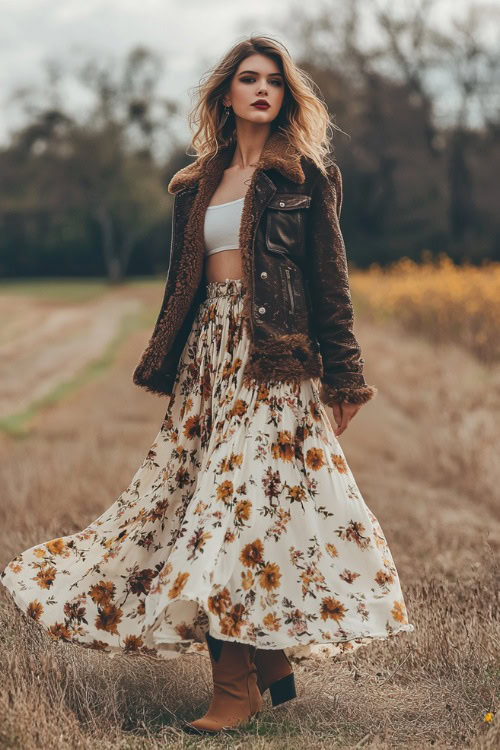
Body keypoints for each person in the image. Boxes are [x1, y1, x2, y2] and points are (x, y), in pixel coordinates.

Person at [0, 34, 414, 736]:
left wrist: (346, 378)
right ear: (226, 93)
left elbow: (330, 285)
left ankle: (237, 686)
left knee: (230, 514)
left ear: (286, 96)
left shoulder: (306, 178)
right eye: (248, 79)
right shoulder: (194, 185)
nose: (262, 90)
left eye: (274, 81)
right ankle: (268, 657)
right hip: (207, 363)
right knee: (200, 506)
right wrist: (168, 362)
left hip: (273, 361)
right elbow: (180, 286)